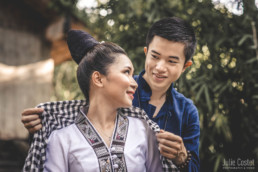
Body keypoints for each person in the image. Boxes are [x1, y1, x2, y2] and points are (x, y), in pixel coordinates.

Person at [22, 17, 200, 171]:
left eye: (171, 61)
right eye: (155, 56)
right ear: (146, 53)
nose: (160, 67)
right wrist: (42, 127)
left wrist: (182, 159)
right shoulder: (62, 135)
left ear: (185, 66)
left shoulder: (181, 113)